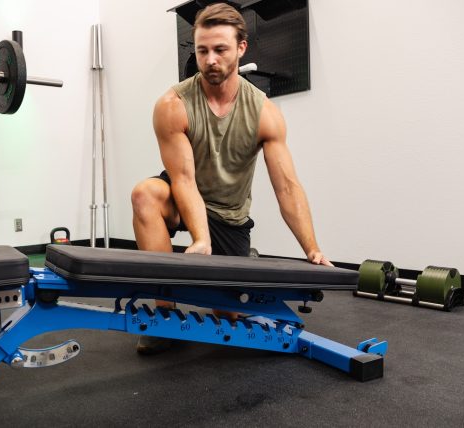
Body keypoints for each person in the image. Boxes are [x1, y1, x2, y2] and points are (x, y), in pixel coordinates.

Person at [130, 3, 332, 355]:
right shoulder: (173, 104)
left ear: (241, 48)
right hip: (183, 198)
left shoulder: (265, 113)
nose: (210, 60)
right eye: (202, 50)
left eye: (220, 50)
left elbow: (286, 186)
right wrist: (200, 240)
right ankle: (163, 317)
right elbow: (184, 178)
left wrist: (312, 249)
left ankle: (240, 262)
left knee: (229, 320)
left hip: (230, 217)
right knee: (145, 193)